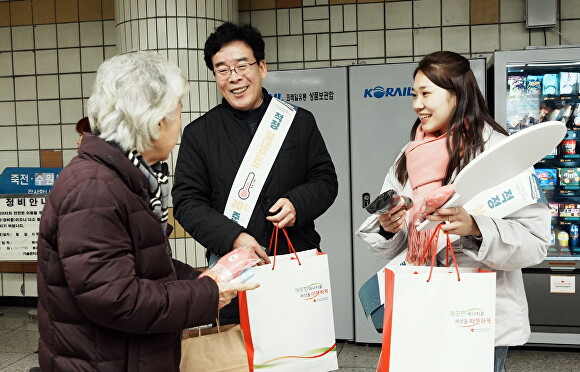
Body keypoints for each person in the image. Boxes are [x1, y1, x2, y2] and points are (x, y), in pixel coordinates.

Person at [36, 51, 258, 372]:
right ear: (157, 122)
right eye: (178, 110)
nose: (180, 122)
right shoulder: (94, 187)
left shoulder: (129, 176)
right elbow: (116, 298)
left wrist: (205, 279)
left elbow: (144, 264)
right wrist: (207, 294)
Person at [356, 51, 550, 372]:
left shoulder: (500, 152)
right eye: (413, 94)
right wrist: (389, 225)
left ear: (456, 95)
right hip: (420, 302)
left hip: (479, 313)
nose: (417, 104)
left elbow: (534, 242)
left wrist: (474, 227)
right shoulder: (410, 155)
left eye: (426, 93)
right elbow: (389, 237)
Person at [172, 22, 338, 324]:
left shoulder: (298, 122)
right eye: (222, 69)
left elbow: (325, 180)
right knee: (239, 356)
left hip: (294, 261)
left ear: (262, 67)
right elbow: (187, 201)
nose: (233, 77)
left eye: (242, 65)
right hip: (234, 269)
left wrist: (298, 204)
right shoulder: (199, 134)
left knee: (300, 350)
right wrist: (233, 237)